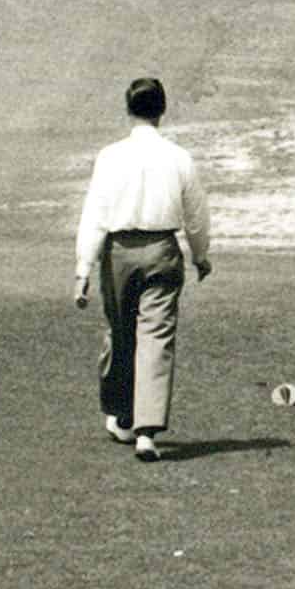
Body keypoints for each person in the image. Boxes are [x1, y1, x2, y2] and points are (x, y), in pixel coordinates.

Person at [73, 77, 212, 463]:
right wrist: (200, 255)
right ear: (162, 110)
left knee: (120, 334)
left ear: (128, 109)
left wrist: (83, 269)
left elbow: (95, 214)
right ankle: (146, 433)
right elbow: (196, 214)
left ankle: (123, 416)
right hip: (163, 251)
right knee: (156, 338)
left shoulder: (110, 156)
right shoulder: (178, 157)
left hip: (118, 252)